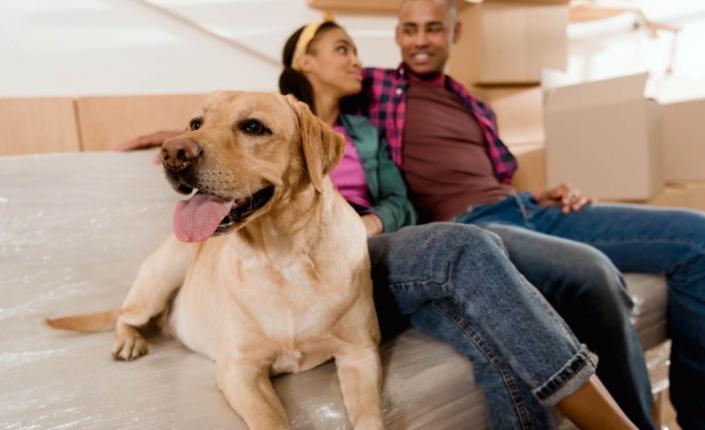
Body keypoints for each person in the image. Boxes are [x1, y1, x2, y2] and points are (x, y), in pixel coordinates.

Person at [349, 0, 705, 429]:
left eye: (433, 29)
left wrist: (542, 193)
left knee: (696, 236)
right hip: (474, 225)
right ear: (397, 35)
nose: (420, 40)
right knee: (591, 271)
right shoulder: (374, 89)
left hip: (527, 207)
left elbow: (492, 179)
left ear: (455, 33)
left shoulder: (476, 107)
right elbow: (315, 88)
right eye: (410, 30)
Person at [277, 18, 637, 429]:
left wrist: (368, 225)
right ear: (305, 60)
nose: (357, 60)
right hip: (316, 257)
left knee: (500, 337)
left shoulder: (365, 132)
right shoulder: (272, 125)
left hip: (369, 245)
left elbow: (399, 202)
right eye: (342, 49)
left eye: (356, 50)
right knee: (468, 249)